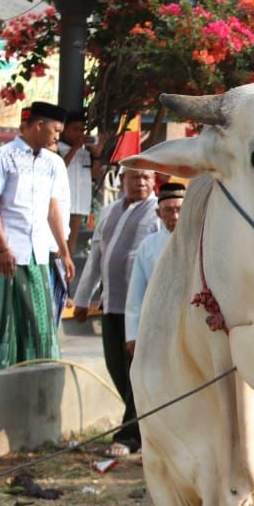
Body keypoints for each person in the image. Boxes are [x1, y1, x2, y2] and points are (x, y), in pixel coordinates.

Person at [0, 102, 74, 371]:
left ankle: (38, 367)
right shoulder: (1, 157)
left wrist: (64, 251)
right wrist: (2, 247)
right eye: (55, 130)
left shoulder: (53, 163)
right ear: (39, 125)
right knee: (4, 311)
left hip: (39, 249)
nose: (57, 137)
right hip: (8, 248)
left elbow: (53, 209)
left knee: (40, 314)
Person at [73, 167, 159, 456]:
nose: (141, 182)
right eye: (135, 177)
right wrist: (82, 298)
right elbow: (97, 257)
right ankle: (147, 424)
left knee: (138, 370)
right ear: (123, 180)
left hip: (145, 307)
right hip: (112, 303)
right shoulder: (110, 212)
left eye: (147, 177)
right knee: (116, 366)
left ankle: (131, 435)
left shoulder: (160, 212)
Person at [124, 182, 185, 356]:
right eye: (168, 210)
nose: (175, 216)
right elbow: (136, 294)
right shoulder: (148, 246)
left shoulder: (202, 242)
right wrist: (133, 335)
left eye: (180, 209)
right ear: (159, 214)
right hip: (159, 327)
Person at [56, 111, 103, 257]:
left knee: (70, 246)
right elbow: (59, 169)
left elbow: (93, 176)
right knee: (58, 243)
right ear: (64, 129)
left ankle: (65, 273)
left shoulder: (85, 152)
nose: (79, 134)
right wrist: (75, 148)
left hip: (78, 205)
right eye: (74, 129)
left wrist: (96, 155)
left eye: (81, 130)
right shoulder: (57, 149)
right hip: (60, 205)